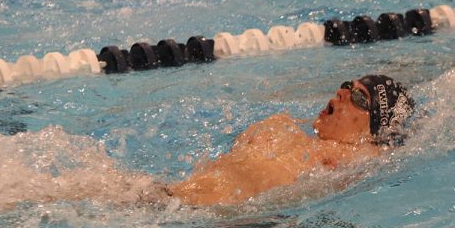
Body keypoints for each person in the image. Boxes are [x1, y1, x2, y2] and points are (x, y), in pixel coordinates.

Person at [164, 74, 415, 206]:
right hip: (178, 199)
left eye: (359, 98)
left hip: (212, 212)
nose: (341, 93)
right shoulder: (288, 130)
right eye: (348, 86)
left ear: (372, 133)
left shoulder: (355, 157)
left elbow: (385, 155)